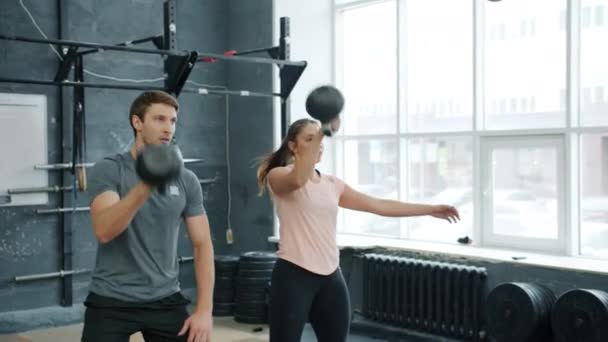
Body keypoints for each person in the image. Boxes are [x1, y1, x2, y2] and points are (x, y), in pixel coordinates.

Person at [256, 118, 460, 342]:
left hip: (330, 276)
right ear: (293, 146)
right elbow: (298, 180)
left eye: (320, 141)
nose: (318, 145)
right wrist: (323, 132)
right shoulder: (278, 176)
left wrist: (430, 209)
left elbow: (380, 205)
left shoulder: (333, 184)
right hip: (293, 275)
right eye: (310, 139)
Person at [82, 90, 214, 342]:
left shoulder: (186, 179)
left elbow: (202, 244)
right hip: (111, 299)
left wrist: (205, 310)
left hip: (164, 298)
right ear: (137, 122)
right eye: (159, 119)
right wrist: (147, 184)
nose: (168, 128)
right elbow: (104, 230)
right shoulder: (109, 169)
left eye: (173, 121)